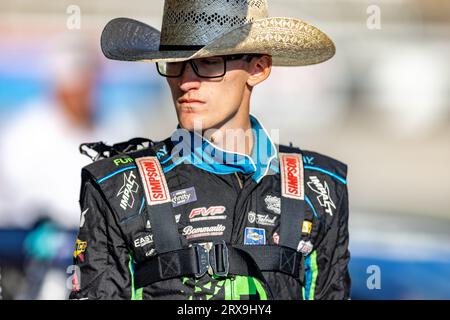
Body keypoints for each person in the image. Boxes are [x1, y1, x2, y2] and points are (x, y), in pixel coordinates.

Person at [70, 0, 350, 300]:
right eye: (175, 62)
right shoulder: (118, 187)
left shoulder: (320, 187)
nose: (186, 82)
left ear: (258, 68)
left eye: (209, 63)